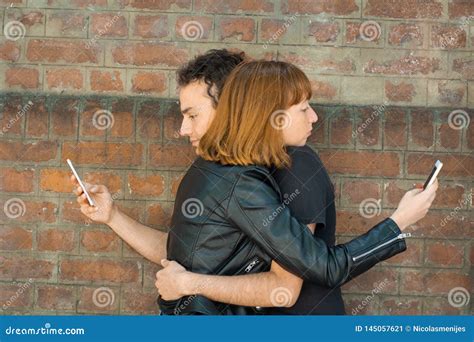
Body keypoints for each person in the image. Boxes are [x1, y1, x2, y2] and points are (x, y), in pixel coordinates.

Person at [71, 51, 438, 315]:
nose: (184, 128)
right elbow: (191, 253)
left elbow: (281, 284)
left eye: (192, 114)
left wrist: (188, 283)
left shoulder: (286, 167)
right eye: (302, 107)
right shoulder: (234, 176)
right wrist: (400, 222)